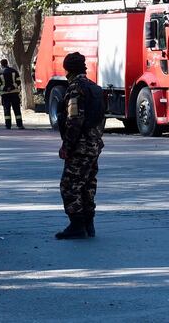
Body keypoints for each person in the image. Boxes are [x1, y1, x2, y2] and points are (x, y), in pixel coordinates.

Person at [55, 52, 105, 239]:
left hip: (80, 146)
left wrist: (67, 146)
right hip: (94, 145)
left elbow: (74, 120)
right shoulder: (95, 88)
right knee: (88, 184)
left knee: (69, 185)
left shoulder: (75, 89)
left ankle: (77, 225)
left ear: (67, 69)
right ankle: (88, 225)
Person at [0, 58, 25, 129]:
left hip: (5, 94)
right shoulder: (14, 71)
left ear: (1, 64)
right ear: (7, 63)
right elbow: (18, 82)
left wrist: (6, 89)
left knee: (6, 110)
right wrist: (11, 87)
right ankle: (19, 125)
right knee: (17, 109)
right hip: (14, 93)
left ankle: (8, 125)